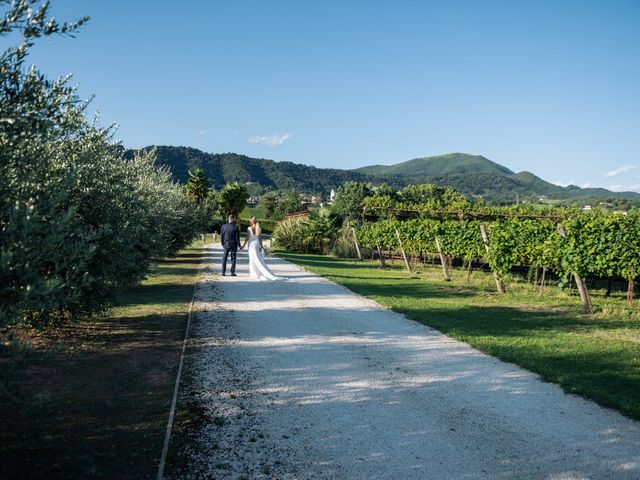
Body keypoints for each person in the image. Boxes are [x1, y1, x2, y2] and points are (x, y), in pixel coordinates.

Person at [241, 216, 285, 281]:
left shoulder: (249, 228)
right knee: (257, 257)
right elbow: (260, 238)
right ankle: (258, 272)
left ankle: (254, 273)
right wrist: (261, 245)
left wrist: (243, 245)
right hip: (256, 243)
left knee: (252, 258)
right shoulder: (258, 228)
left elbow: (247, 237)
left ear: (251, 221)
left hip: (251, 244)